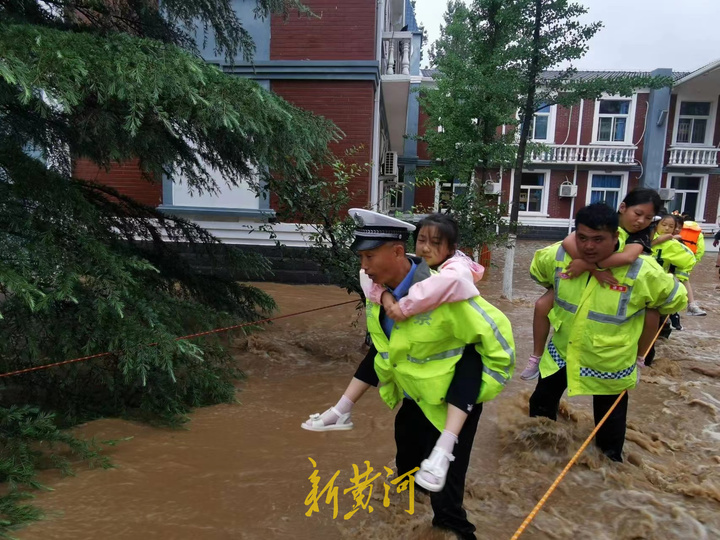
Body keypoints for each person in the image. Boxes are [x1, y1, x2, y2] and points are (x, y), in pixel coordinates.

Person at [306, 208, 515, 540]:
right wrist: (343, 407)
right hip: (414, 399)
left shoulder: (447, 293)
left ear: (397, 252)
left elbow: (500, 344)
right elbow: (382, 350)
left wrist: (476, 392)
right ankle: (402, 515)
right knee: (406, 469)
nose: (363, 266)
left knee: (446, 505)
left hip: (451, 407)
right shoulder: (377, 290)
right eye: (361, 257)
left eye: (369, 256)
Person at [528, 203, 687, 462]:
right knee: (541, 411)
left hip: (611, 361)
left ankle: (608, 477)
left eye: (598, 239)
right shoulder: (558, 256)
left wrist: (646, 331)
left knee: (609, 436)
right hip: (563, 351)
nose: (589, 246)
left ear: (616, 238)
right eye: (582, 238)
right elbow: (539, 273)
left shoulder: (642, 270)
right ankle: (537, 461)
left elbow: (674, 300)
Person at [521, 188, 663, 381]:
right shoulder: (601, 220)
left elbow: (629, 257)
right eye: (638, 214)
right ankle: (536, 356)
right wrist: (591, 269)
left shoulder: (641, 235)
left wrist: (589, 265)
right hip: (584, 276)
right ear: (622, 208)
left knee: (651, 313)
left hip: (622, 284)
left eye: (648, 218)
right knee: (541, 305)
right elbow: (568, 241)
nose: (641, 221)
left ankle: (638, 360)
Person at [647, 214, 697, 347]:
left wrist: (676, 275)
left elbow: (690, 259)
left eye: (671, 226)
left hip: (661, 286)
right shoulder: (645, 238)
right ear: (656, 225)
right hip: (643, 284)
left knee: (658, 315)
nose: (667, 228)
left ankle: (657, 343)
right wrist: (657, 241)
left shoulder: (674, 244)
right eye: (664, 225)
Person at [678, 214, 707, 316]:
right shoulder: (698, 232)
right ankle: (691, 305)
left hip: (674, 259)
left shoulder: (677, 228)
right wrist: (694, 261)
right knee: (685, 280)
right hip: (688, 261)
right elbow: (701, 249)